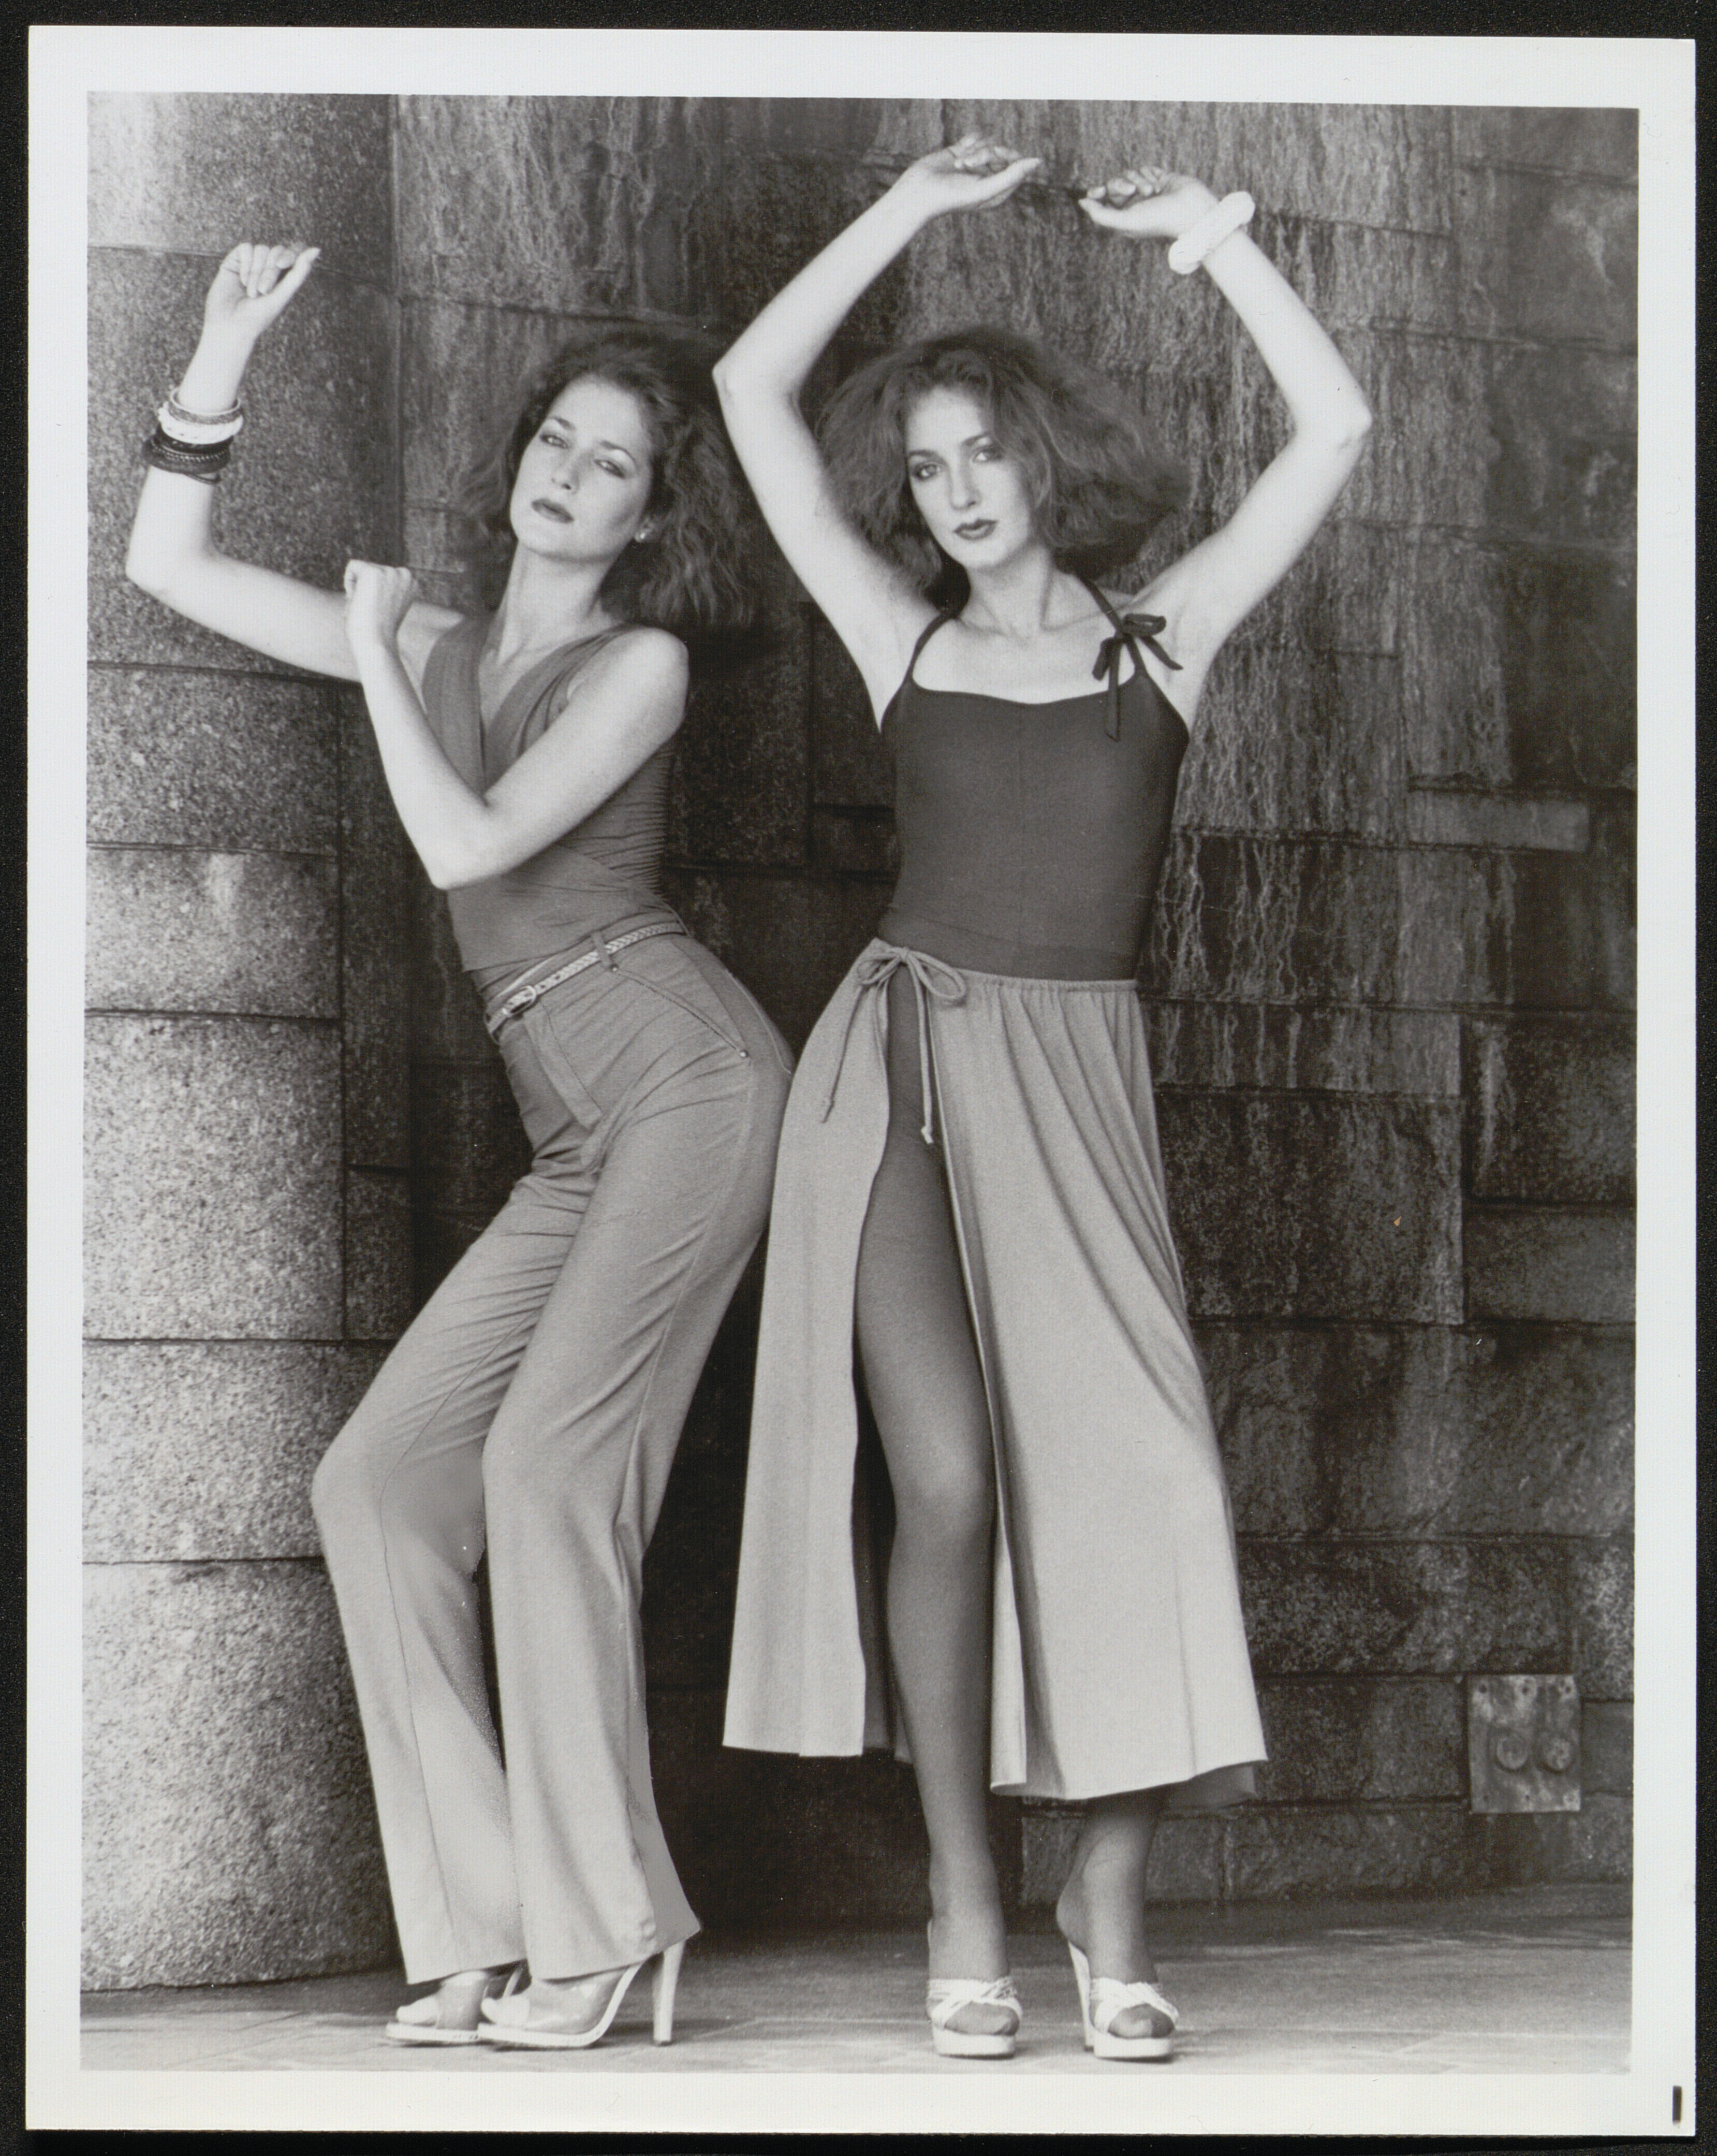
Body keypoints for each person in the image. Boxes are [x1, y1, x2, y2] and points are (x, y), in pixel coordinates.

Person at [715, 139, 1373, 2061]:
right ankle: (963, 1897)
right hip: (903, 1062)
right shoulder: (894, 634)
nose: (954, 490)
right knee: (945, 1479)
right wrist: (911, 220)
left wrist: (1223, 246)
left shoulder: (1165, 639)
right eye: (922, 466)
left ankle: (1106, 1886)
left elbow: (1332, 426)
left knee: (1154, 1475)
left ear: (1045, 455)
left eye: (979, 449)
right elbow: (755, 395)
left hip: (1081, 1082)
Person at [126, 241, 793, 2050]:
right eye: (552, 440)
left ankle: (604, 1929)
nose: (562, 473)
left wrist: (370, 652)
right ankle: (492, 1919)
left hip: (685, 1080)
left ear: (651, 517)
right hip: (568, 1118)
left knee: (549, 1479)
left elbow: (469, 846)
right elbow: (162, 565)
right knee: (382, 1487)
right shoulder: (423, 635)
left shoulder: (638, 660)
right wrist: (218, 358)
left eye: (609, 464)